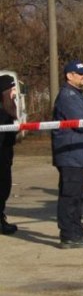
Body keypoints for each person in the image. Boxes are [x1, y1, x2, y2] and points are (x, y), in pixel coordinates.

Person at [52, 59, 83, 249]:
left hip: (77, 154)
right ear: (69, 76)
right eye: (80, 73)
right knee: (70, 196)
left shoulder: (76, 95)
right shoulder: (68, 96)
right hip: (70, 154)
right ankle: (69, 234)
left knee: (77, 197)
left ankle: (75, 230)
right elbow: (81, 123)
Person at [0, 74, 19, 235]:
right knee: (2, 189)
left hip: (6, 157)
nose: (14, 93)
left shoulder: (8, 108)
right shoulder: (2, 112)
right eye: (12, 89)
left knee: (4, 189)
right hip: (1, 158)